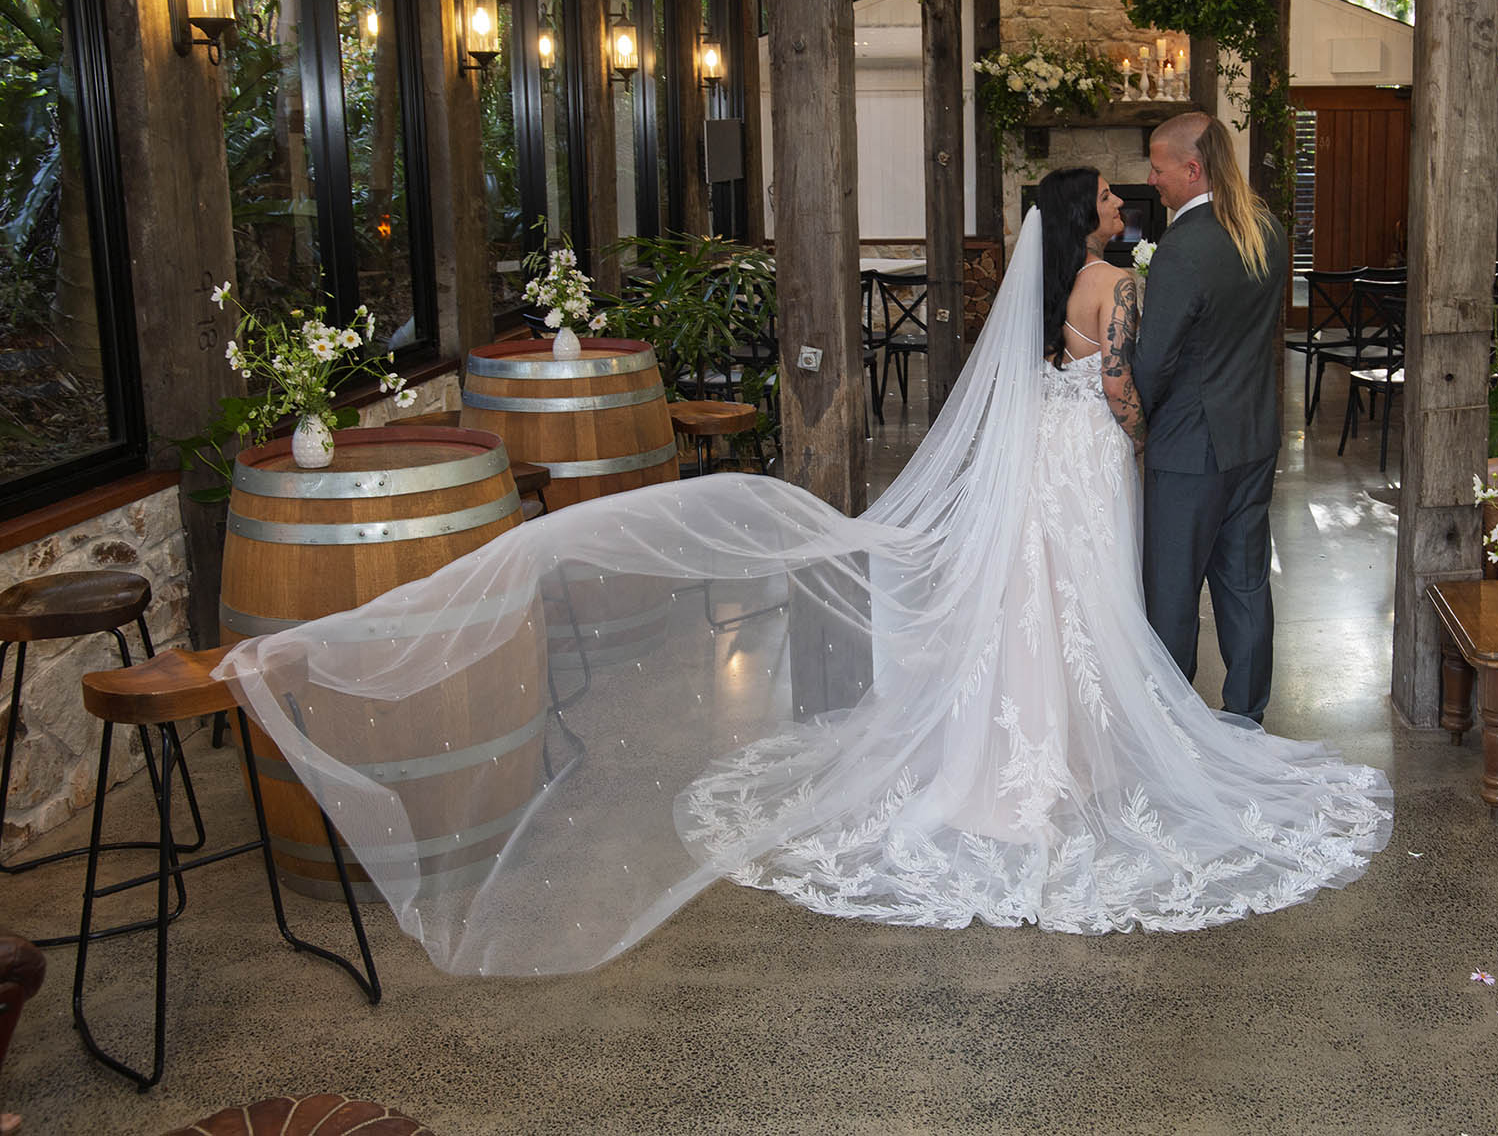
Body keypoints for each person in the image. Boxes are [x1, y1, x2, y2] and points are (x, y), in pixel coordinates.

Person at [221, 167, 1391, 977]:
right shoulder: (1112, 284)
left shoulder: (1039, 288)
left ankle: (1011, 763)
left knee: (1031, 600)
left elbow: (1058, 366)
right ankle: (1080, 762)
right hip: (1086, 452)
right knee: (1077, 598)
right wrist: (1126, 422)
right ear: (1081, 215)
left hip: (1044, 449)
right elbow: (1123, 381)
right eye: (1103, 199)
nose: (1117, 207)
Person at [1135, 112, 1285, 724]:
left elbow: (1153, 360)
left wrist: (1135, 421)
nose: (1152, 180)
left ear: (1192, 169)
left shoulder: (1183, 246)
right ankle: (1246, 718)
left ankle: (1172, 726)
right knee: (1245, 584)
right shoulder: (1266, 230)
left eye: (1158, 168)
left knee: (1173, 592)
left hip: (1188, 446)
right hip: (1253, 434)